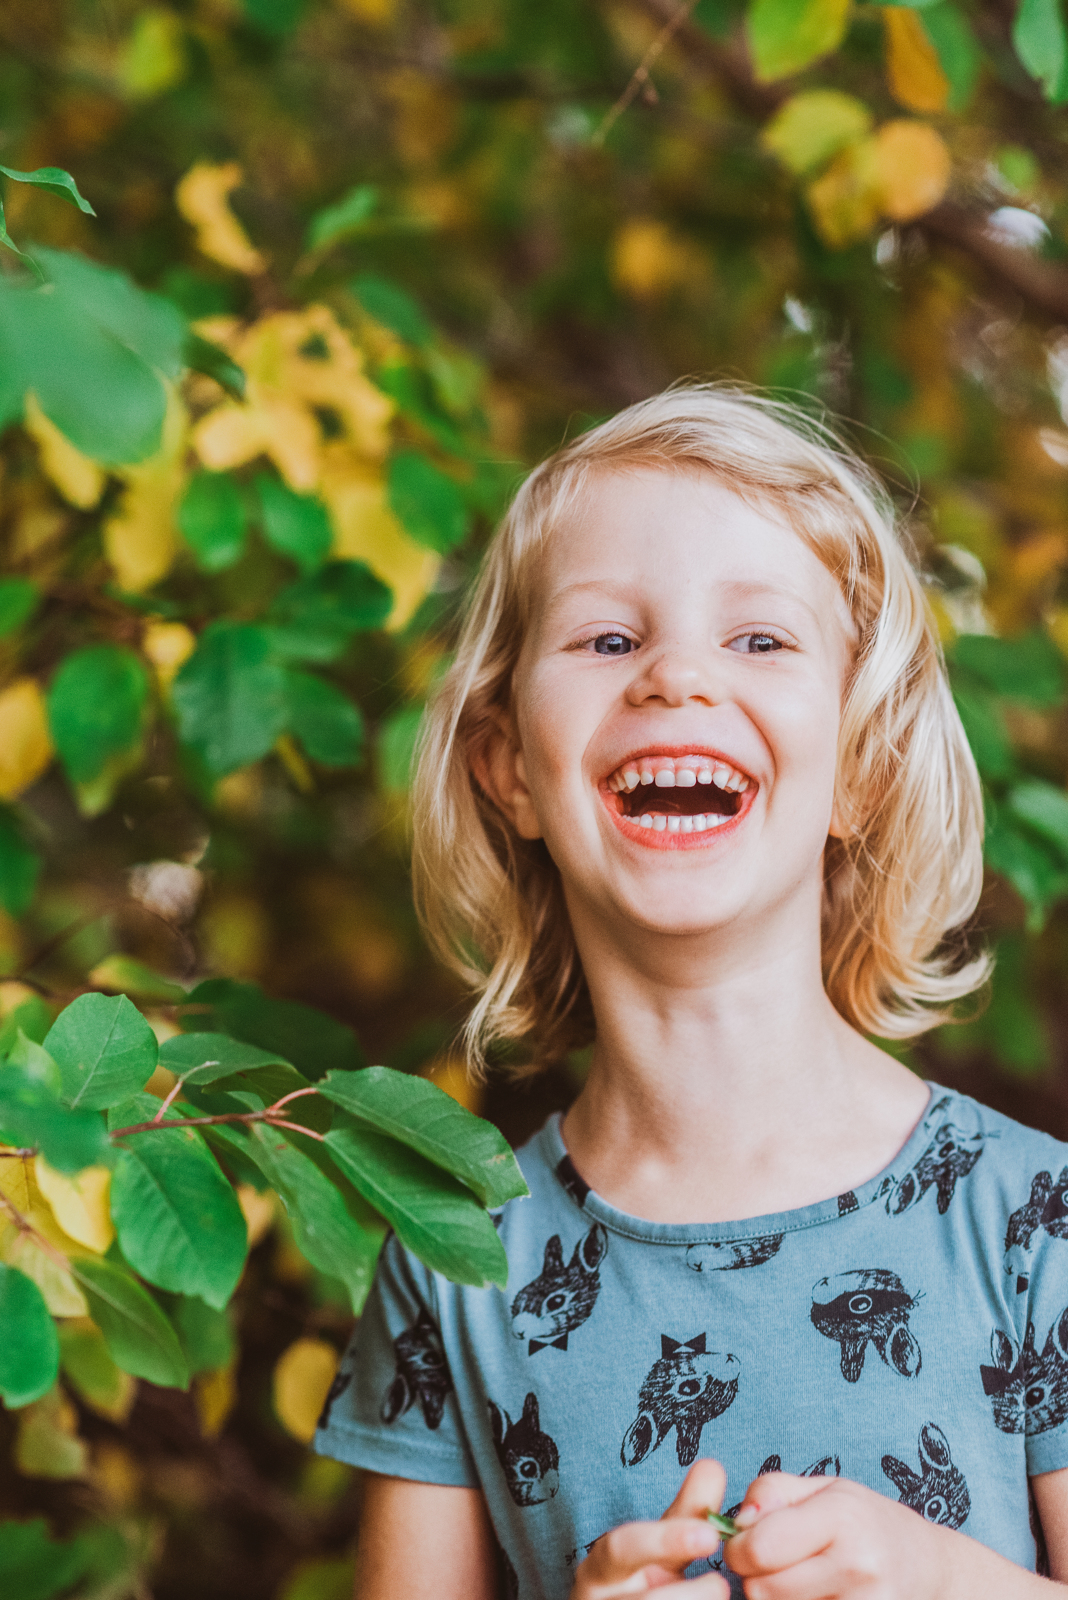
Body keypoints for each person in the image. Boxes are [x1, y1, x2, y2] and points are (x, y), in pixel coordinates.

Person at [314, 386, 1068, 1599]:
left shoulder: (1037, 1226)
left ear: (860, 772)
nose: (675, 676)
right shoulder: (457, 1263)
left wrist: (944, 1580)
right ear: (506, 766)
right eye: (609, 640)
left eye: (760, 640)